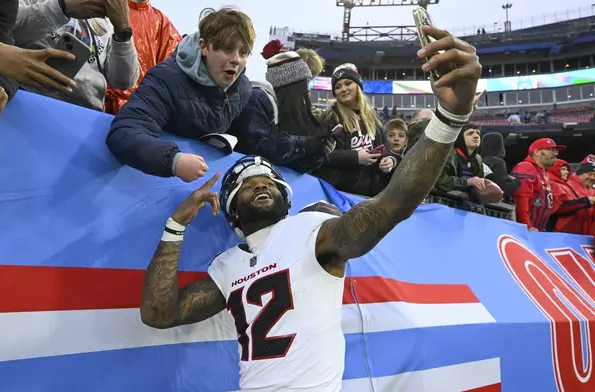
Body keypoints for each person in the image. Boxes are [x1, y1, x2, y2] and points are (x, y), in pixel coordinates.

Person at [139, 24, 482, 391]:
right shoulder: (227, 266)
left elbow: (393, 203)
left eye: (267, 179)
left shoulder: (312, 232)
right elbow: (160, 314)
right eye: (244, 185)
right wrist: (175, 226)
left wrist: (448, 121)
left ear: (286, 196)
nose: (258, 183)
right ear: (232, 210)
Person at [106, 7, 255, 182]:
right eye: (227, 49)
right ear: (204, 46)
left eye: (243, 52)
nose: (236, 59)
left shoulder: (243, 89)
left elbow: (251, 143)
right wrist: (173, 160)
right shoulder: (166, 80)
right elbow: (123, 133)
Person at [226, 40, 337, 173]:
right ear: (292, 85)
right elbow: (255, 151)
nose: (307, 91)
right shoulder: (258, 99)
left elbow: (291, 166)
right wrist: (303, 144)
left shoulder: (280, 108)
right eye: (305, 83)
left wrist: (319, 151)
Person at [14, 0, 140, 111]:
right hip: (28, 100)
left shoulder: (104, 17)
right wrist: (62, 8)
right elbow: (8, 32)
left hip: (86, 117)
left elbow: (123, 81)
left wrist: (123, 32)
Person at [314, 63, 391, 196]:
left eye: (348, 83)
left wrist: (388, 161)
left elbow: (384, 149)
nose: (343, 89)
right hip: (337, 194)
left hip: (368, 195)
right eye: (337, 87)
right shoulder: (330, 118)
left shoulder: (373, 118)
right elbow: (320, 155)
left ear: (358, 85)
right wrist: (355, 157)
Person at [105, 0, 182, 114]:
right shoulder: (97, 6)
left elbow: (174, 79)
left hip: (135, 114)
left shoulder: (162, 24)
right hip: (92, 103)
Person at [511, 138, 565, 231]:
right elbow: (521, 200)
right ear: (537, 152)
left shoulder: (542, 173)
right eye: (551, 150)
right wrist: (527, 226)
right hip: (524, 231)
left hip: (537, 230)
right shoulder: (526, 167)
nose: (556, 154)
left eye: (556, 151)